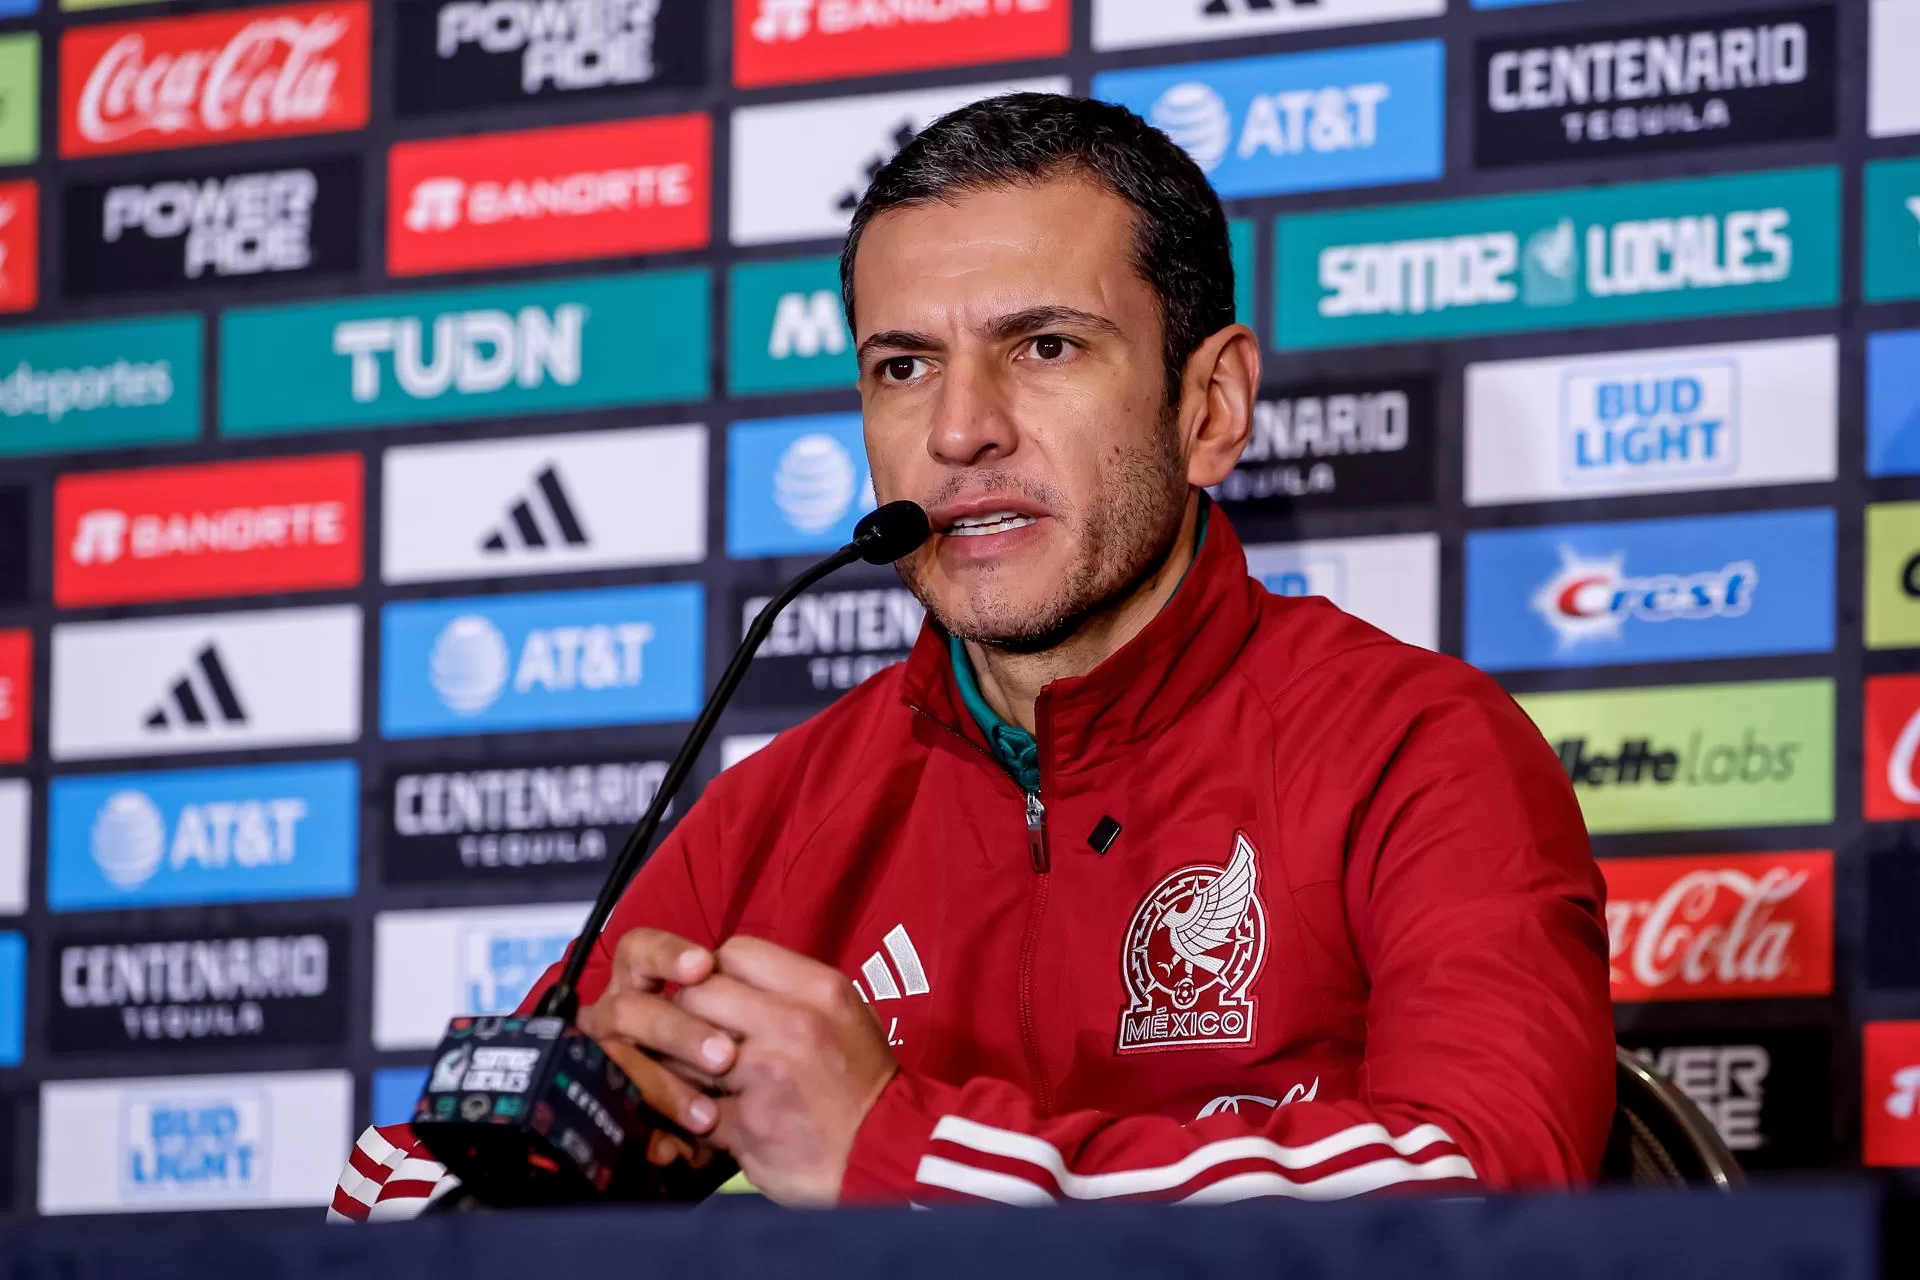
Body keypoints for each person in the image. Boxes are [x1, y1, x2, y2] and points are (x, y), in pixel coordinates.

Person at [332, 92, 1613, 1220]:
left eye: (1044, 346)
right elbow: (380, 1189)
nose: (959, 430)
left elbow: (1489, 1188)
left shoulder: (1417, 745)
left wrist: (891, 1148)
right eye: (904, 366)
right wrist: (580, 1138)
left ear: (1209, 407)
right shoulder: (782, 807)